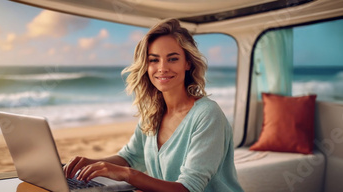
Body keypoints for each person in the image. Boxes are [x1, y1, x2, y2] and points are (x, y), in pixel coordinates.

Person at [64, 19, 243, 192]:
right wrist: (91, 162)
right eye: (154, 60)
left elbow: (188, 189)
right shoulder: (152, 113)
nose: (162, 68)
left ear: (188, 63)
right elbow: (130, 157)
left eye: (172, 59)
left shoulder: (207, 114)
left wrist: (126, 174)